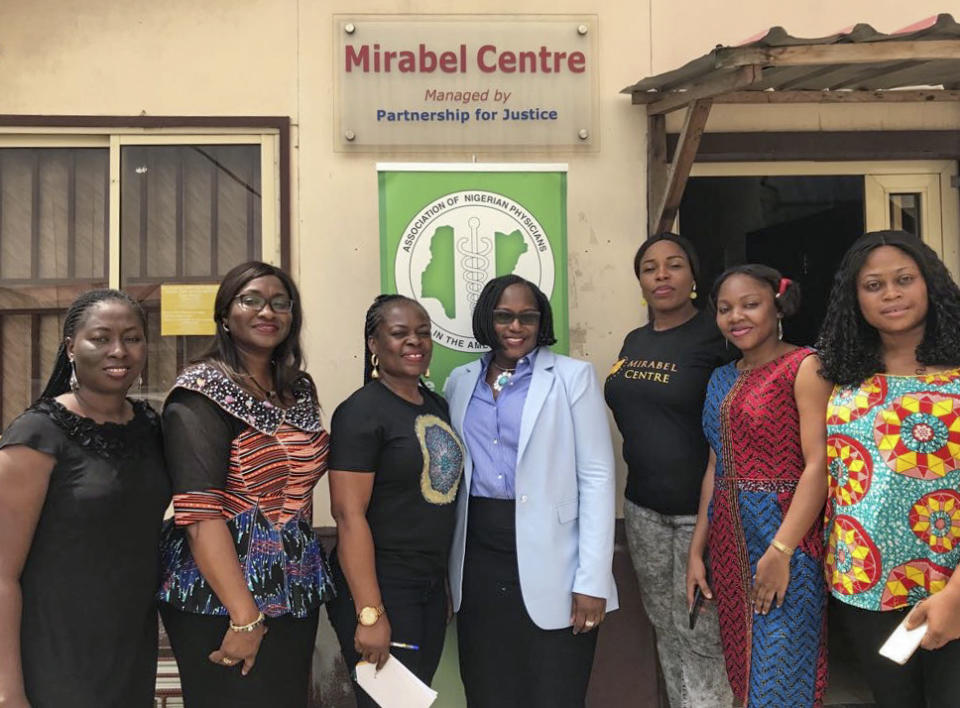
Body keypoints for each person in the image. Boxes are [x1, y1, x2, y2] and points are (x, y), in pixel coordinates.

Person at [157, 261, 334, 708]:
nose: (267, 311)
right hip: (220, 600)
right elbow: (198, 514)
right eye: (251, 300)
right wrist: (244, 618)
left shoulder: (297, 388)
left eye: (280, 303)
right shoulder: (199, 392)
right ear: (225, 314)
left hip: (295, 590)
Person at [445, 274, 618, 708]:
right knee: (487, 687)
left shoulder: (572, 377)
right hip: (480, 557)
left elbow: (596, 476)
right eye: (504, 316)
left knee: (555, 689)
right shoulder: (459, 380)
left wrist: (592, 579)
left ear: (542, 322)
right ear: (488, 319)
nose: (516, 327)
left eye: (528, 317)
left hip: (555, 558)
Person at [0, 289, 171, 708]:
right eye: (101, 338)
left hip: (130, 645)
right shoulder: (37, 435)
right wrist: (7, 690)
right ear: (71, 347)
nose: (119, 350)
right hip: (54, 653)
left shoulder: (150, 426)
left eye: (132, 338)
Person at [817, 230, 960, 707]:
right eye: (873, 285)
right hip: (866, 584)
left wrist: (955, 593)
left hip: (952, 581)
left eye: (904, 279)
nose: (891, 294)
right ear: (854, 299)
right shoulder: (840, 376)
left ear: (930, 283)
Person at [688, 265, 831, 707]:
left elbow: (819, 465)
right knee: (745, 671)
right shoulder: (721, 377)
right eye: (726, 309)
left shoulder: (805, 366)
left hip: (787, 533)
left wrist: (781, 551)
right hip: (731, 543)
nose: (737, 317)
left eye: (750, 304)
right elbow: (716, 466)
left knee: (783, 669)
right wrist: (697, 551)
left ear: (777, 305)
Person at [604, 232, 734, 708]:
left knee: (702, 634)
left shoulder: (717, 337)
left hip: (701, 514)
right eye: (649, 267)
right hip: (642, 509)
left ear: (694, 277)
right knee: (665, 626)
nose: (661, 275)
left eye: (674, 264)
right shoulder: (635, 340)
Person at [325, 294, 465, 706]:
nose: (414, 342)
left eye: (423, 333)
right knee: (391, 704)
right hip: (382, 585)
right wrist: (370, 611)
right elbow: (348, 515)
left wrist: (441, 579)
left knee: (411, 702)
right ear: (374, 343)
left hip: (427, 587)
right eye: (399, 333)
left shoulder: (436, 405)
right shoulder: (360, 412)